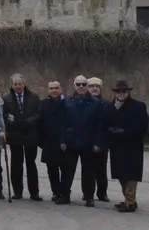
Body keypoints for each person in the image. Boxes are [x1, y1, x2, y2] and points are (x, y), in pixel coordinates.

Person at [102, 80, 148, 212]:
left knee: (131, 174)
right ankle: (129, 199)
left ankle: (130, 202)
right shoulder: (109, 106)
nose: (121, 93)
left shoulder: (138, 106)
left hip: (132, 145)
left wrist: (124, 131)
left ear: (128, 92)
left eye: (124, 91)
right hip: (116, 145)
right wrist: (110, 132)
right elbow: (104, 123)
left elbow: (143, 126)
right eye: (118, 91)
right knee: (121, 174)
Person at [60, 75, 103, 207]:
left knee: (89, 171)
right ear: (74, 85)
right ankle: (65, 195)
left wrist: (98, 142)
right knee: (67, 171)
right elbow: (61, 123)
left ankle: (89, 196)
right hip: (71, 141)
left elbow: (100, 125)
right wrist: (62, 140)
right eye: (78, 84)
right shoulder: (66, 101)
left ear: (87, 86)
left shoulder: (96, 103)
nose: (81, 87)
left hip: (89, 141)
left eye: (84, 84)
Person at [2, 73, 42, 201]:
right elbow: (5, 116)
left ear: (24, 84)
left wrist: (27, 122)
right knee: (16, 164)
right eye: (15, 84)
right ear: (12, 85)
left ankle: (34, 192)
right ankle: (17, 191)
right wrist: (13, 122)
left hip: (30, 134)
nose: (18, 86)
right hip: (15, 134)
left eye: (20, 84)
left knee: (31, 163)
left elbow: (38, 114)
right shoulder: (6, 98)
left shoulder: (34, 97)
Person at [38, 81, 66, 202]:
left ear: (61, 89)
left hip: (64, 141)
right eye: (51, 88)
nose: (54, 90)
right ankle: (55, 192)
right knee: (52, 170)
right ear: (48, 90)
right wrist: (41, 141)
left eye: (56, 88)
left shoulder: (66, 103)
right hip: (48, 141)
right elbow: (39, 122)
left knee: (65, 169)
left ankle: (64, 192)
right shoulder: (43, 103)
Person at [87, 77, 110, 202]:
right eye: (91, 86)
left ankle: (102, 192)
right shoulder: (84, 102)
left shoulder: (106, 104)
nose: (94, 89)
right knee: (87, 169)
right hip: (86, 140)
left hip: (102, 140)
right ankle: (87, 192)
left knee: (101, 169)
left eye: (97, 86)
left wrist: (101, 142)